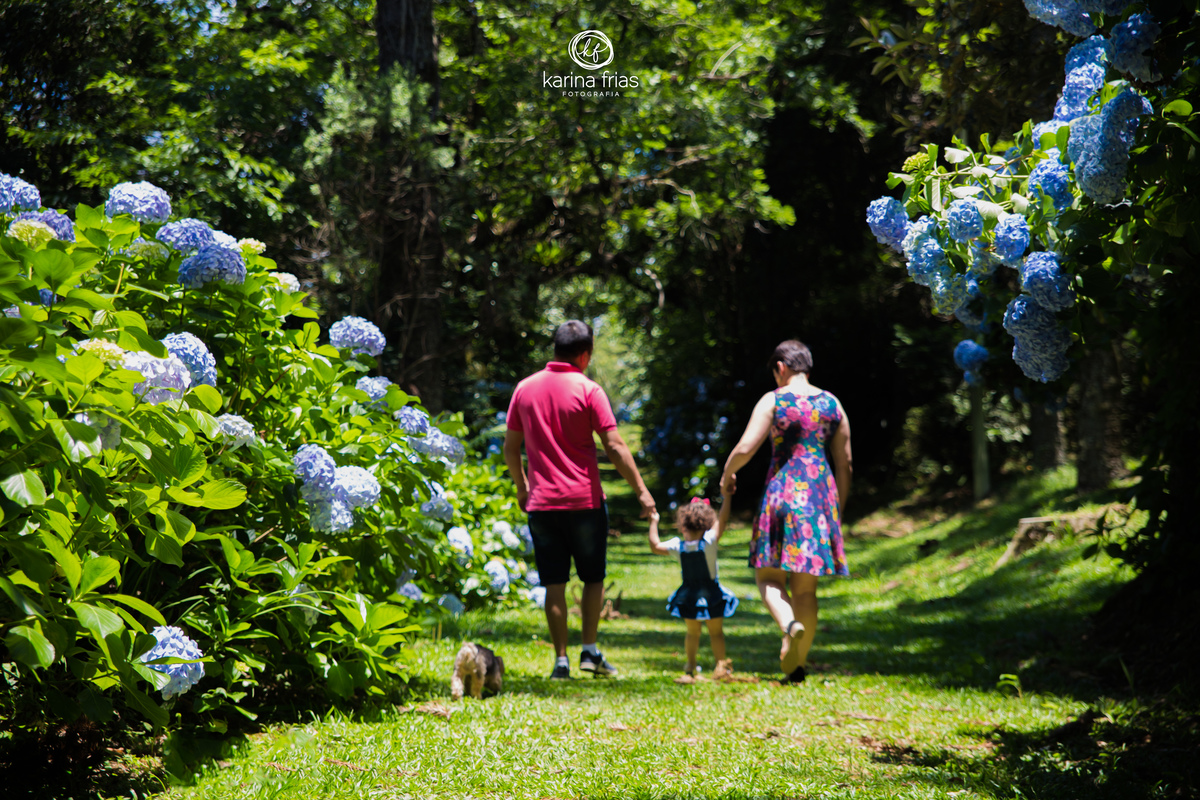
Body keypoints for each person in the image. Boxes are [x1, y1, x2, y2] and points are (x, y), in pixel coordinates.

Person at [504, 320, 656, 679]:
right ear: (585, 354)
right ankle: (589, 651)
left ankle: (560, 660)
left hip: (542, 503)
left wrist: (522, 486)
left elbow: (511, 448)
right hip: (584, 502)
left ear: (555, 348)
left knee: (552, 583)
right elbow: (615, 446)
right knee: (592, 578)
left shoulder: (524, 390)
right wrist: (641, 491)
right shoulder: (589, 390)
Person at [719, 339, 852, 684]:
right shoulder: (832, 403)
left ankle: (788, 625)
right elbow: (845, 462)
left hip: (782, 494)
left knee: (769, 578)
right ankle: (797, 664)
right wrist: (837, 507)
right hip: (819, 498)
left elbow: (747, 446)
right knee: (806, 590)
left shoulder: (774, 400)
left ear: (780, 367)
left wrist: (727, 473)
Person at [648, 492, 738, 683]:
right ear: (706, 524)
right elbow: (722, 520)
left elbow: (655, 546)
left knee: (692, 632)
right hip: (712, 594)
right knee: (716, 633)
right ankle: (721, 666)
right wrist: (727, 498)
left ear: (682, 525)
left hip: (689, 595)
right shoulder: (709, 542)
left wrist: (653, 521)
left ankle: (690, 667)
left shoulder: (677, 545)